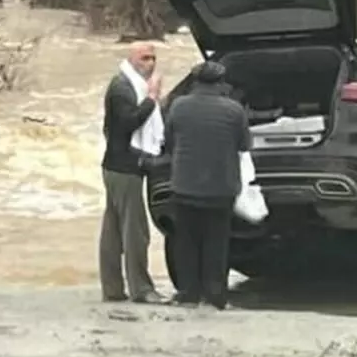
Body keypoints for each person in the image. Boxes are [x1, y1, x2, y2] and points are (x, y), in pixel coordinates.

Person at [163, 59, 251, 309]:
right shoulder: (234, 110)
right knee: (216, 243)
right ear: (221, 83)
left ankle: (188, 293)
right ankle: (215, 295)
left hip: (184, 185)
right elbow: (244, 145)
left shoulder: (178, 106)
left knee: (186, 242)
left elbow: (169, 141)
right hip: (220, 188)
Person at [99, 40, 162, 303]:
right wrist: (151, 99)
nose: (150, 64)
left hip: (114, 164)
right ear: (132, 59)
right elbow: (127, 124)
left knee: (113, 230)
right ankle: (142, 290)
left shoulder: (127, 84)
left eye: (152, 58)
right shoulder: (123, 87)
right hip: (124, 168)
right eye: (144, 58)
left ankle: (113, 289)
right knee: (135, 231)